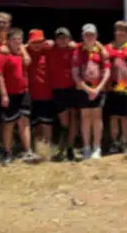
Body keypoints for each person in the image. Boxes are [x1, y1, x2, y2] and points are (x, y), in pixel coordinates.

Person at [0, 28, 39, 165]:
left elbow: (28, 60)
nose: (17, 42)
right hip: (10, 94)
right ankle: (7, 153)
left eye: (19, 40)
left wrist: (23, 51)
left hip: (23, 92)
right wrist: (4, 95)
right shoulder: (2, 55)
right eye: (14, 40)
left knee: (24, 122)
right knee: (8, 123)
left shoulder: (22, 54)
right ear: (8, 41)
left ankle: (27, 151)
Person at [72, 24, 110, 160]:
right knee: (85, 118)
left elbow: (107, 71)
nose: (89, 37)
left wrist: (98, 89)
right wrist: (87, 89)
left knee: (97, 118)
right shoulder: (77, 50)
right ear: (82, 36)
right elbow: (75, 74)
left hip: (98, 89)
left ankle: (97, 147)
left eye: (92, 35)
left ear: (96, 36)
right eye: (86, 35)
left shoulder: (101, 51)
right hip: (83, 89)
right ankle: (86, 147)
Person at [105, 21, 127, 154]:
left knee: (125, 117)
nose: (121, 32)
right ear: (114, 31)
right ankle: (114, 143)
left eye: (124, 30)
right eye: (118, 29)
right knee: (113, 117)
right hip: (111, 88)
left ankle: (125, 142)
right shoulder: (108, 47)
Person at [48, 27, 78, 161]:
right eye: (59, 38)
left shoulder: (74, 48)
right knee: (64, 120)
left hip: (72, 88)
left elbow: (93, 43)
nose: (62, 40)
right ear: (55, 39)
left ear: (70, 38)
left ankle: (70, 148)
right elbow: (27, 45)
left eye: (65, 37)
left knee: (73, 118)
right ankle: (63, 146)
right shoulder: (49, 48)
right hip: (57, 89)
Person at [26, 29, 55, 154]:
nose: (37, 45)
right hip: (30, 95)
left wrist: (51, 42)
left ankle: (47, 149)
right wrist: (24, 48)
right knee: (35, 123)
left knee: (46, 123)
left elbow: (68, 44)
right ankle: (37, 148)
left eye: (39, 42)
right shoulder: (25, 52)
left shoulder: (48, 51)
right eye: (34, 42)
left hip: (46, 94)